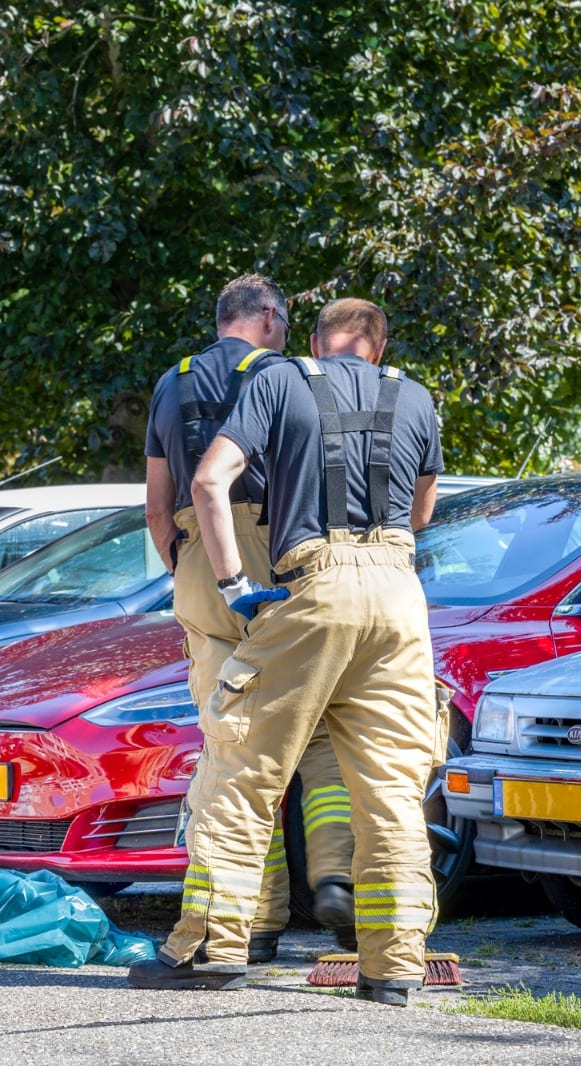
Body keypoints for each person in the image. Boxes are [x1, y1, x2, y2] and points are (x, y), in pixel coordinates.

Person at [129, 297, 443, 1006]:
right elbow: (423, 512)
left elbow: (208, 481)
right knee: (392, 791)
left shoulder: (281, 379)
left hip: (315, 584)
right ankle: (393, 968)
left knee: (240, 770)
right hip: (400, 599)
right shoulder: (415, 396)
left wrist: (234, 583)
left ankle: (215, 948)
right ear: (379, 347)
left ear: (315, 342)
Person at [143, 274, 357, 962]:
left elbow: (156, 506)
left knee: (232, 743)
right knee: (317, 727)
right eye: (285, 324)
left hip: (201, 560)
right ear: (269, 317)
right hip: (281, 550)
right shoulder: (289, 378)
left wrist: (188, 568)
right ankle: (337, 877)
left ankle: (252, 921)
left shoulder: (171, 382)